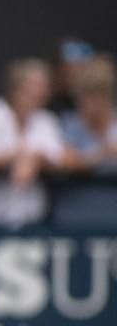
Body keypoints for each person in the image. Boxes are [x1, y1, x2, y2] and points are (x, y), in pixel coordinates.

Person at [0, 60, 67, 228]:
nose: (39, 93)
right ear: (15, 89)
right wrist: (19, 156)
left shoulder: (46, 120)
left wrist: (35, 159)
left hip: (34, 221)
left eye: (43, 88)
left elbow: (59, 159)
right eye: (32, 87)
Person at [55, 56, 117, 227]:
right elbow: (65, 161)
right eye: (84, 96)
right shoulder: (68, 124)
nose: (90, 103)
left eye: (96, 95)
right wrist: (104, 153)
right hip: (75, 215)